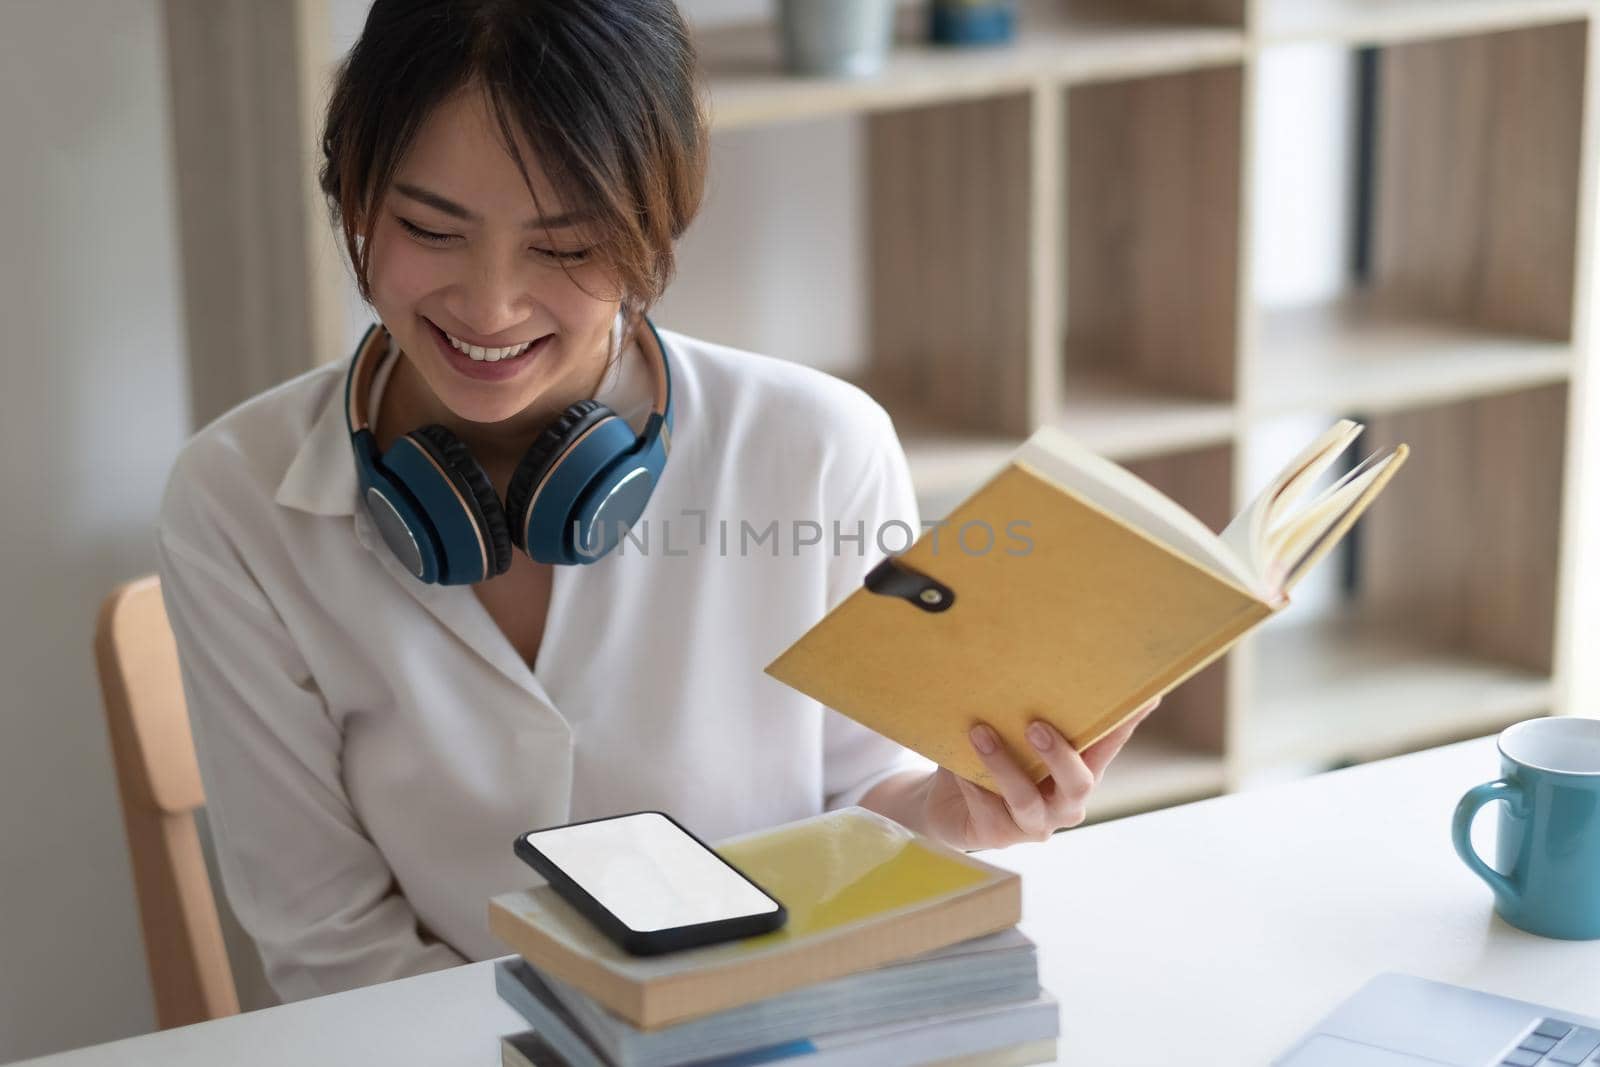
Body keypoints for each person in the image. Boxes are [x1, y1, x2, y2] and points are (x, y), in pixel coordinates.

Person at [155, 0, 1155, 1003]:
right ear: (354, 196)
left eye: (566, 245)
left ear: (655, 223)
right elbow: (331, 950)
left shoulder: (815, 449)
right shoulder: (236, 502)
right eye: (428, 227)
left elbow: (859, 803)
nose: (491, 304)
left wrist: (955, 812)